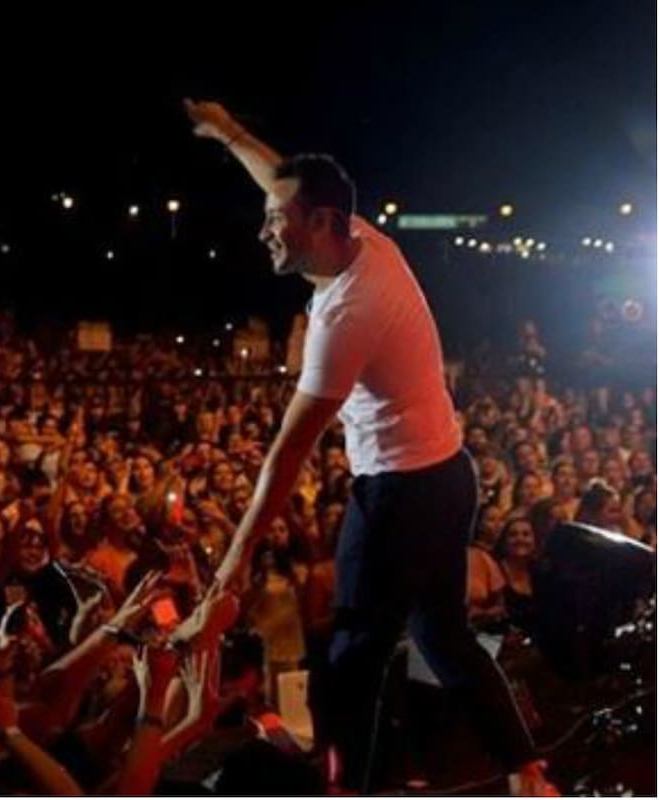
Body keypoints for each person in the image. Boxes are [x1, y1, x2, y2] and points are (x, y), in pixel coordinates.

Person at [183, 98, 554, 795]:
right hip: (447, 475)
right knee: (443, 636)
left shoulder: (349, 312)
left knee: (350, 657)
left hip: (399, 495)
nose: (263, 229)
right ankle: (526, 769)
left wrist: (232, 565)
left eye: (276, 220)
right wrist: (229, 133)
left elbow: (288, 452)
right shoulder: (359, 237)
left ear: (322, 225)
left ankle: (343, 788)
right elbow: (285, 180)